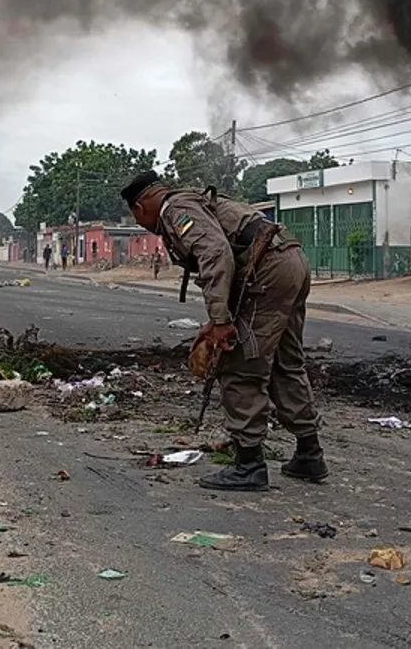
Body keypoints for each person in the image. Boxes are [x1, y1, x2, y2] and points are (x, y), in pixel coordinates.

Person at [120, 169, 328, 492]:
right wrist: (218, 318)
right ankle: (309, 454)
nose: (140, 224)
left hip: (268, 269)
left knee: (240, 365)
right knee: (287, 362)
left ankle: (249, 465)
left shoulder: (174, 210)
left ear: (139, 207)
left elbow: (216, 253)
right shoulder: (193, 200)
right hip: (291, 259)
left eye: (136, 217)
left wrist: (220, 322)